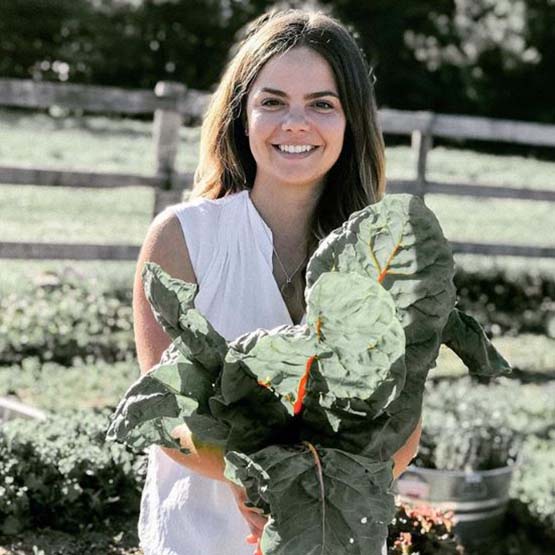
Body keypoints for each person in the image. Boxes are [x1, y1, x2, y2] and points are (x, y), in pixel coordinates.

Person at [133, 7, 422, 555]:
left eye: (322, 104)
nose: (296, 123)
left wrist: (313, 486)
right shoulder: (182, 238)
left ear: (351, 121)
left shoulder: (388, 257)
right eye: (272, 102)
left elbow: (401, 434)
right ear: (243, 115)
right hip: (202, 540)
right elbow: (166, 413)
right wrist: (254, 480)